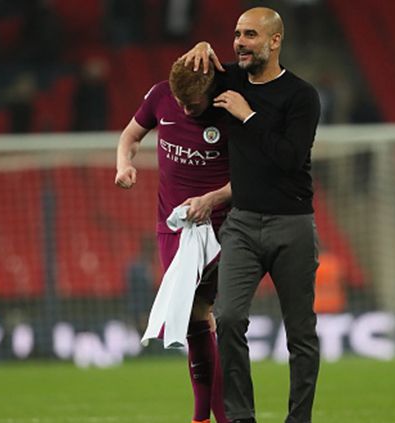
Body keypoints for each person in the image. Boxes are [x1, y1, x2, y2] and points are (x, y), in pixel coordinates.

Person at [183, 7, 321, 423]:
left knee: (300, 335)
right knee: (226, 317)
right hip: (242, 222)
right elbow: (182, 90)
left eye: (250, 35)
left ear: (274, 41)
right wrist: (199, 52)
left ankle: (298, 419)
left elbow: (290, 159)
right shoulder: (228, 78)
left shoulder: (301, 96)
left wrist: (249, 116)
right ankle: (241, 418)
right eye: (236, 35)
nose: (239, 42)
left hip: (292, 223)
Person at [115, 57, 231, 423]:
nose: (184, 109)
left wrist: (213, 200)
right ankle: (204, 417)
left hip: (224, 225)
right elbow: (130, 137)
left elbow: (252, 175)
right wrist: (123, 164)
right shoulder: (161, 95)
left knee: (212, 315)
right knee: (194, 321)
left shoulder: (230, 106)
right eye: (180, 102)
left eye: (192, 104)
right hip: (174, 229)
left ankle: (213, 416)